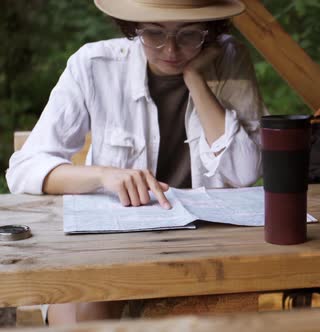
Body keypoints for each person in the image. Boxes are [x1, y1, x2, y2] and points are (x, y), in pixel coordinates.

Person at [6, 0, 266, 325]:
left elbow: (244, 172)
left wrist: (195, 79)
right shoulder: (94, 64)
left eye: (189, 35)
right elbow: (24, 168)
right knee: (84, 310)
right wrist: (103, 175)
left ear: (210, 32)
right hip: (113, 247)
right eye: (154, 33)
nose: (170, 49)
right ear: (134, 29)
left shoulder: (229, 58)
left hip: (205, 247)